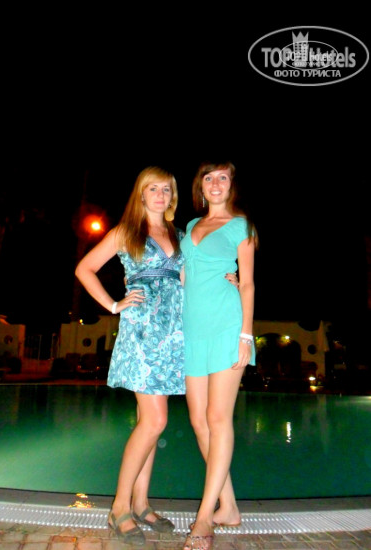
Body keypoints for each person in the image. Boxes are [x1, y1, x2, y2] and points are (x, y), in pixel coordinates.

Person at [75, 166, 185, 546]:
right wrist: (113, 304)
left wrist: (227, 281)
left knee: (149, 423)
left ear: (172, 196)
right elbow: (85, 268)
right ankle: (119, 507)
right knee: (155, 421)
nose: (160, 195)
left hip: (172, 336)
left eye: (166, 189)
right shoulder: (126, 232)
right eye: (153, 189)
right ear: (141, 194)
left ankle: (141, 503)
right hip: (141, 332)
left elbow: (188, 282)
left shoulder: (179, 235)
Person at [180, 160, 257, 550]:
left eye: (222, 178)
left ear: (231, 185)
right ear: (201, 185)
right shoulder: (192, 225)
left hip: (227, 327)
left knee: (217, 417)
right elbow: (184, 274)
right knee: (198, 422)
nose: (215, 183)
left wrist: (245, 335)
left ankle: (204, 518)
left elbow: (248, 283)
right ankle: (229, 507)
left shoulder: (242, 227)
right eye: (208, 178)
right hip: (192, 330)